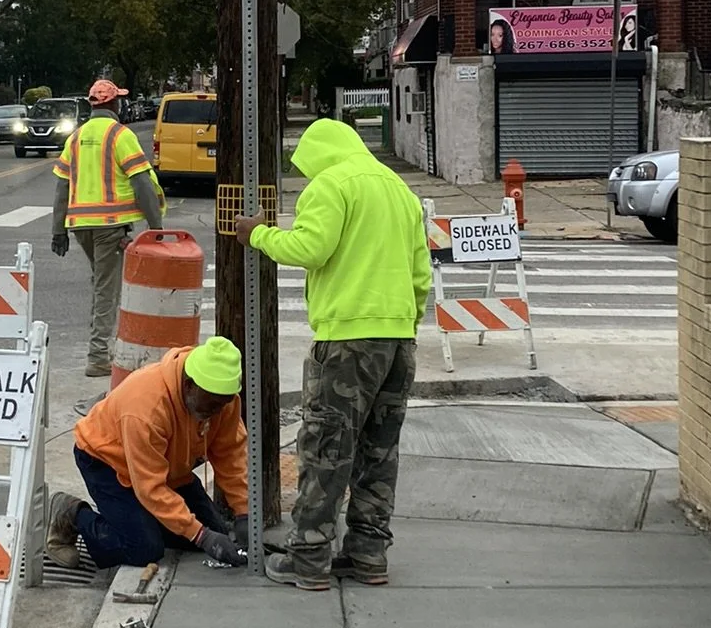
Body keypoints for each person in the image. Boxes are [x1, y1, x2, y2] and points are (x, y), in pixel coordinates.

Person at [235, 117, 431, 591]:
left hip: (347, 342)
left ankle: (309, 557)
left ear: (321, 155)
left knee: (326, 448)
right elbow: (420, 275)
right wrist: (404, 325)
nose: (306, 176)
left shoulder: (331, 184)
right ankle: (368, 554)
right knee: (378, 452)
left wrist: (257, 235)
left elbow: (311, 247)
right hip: (398, 341)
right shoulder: (398, 189)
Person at [46, 336, 249, 571]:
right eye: (211, 405)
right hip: (107, 462)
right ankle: (72, 513)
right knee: (143, 549)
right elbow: (150, 487)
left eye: (222, 405)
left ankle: (143, 519)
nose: (215, 413)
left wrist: (244, 511)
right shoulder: (146, 408)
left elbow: (230, 455)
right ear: (189, 385)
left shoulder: (223, 400)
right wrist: (200, 535)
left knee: (214, 534)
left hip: (166, 469)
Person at [52, 78, 165, 378]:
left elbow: (62, 188)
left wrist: (57, 230)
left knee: (101, 282)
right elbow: (141, 183)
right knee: (106, 289)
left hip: (80, 226)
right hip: (109, 226)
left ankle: (101, 347)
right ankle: (98, 356)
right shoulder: (119, 135)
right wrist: (157, 228)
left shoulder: (76, 137)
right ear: (114, 104)